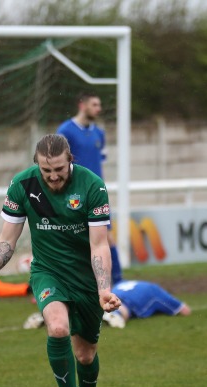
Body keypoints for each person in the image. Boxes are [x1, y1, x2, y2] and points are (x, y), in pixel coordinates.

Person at [0, 134, 121, 387]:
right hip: (48, 271)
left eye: (59, 169)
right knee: (57, 328)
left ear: (70, 160)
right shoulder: (22, 185)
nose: (54, 176)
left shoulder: (92, 185)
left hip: (85, 278)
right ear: (37, 165)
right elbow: (6, 242)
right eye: (47, 171)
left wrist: (103, 288)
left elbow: (99, 245)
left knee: (85, 355)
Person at [57, 92, 124, 285]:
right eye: (94, 104)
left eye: (99, 105)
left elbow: (99, 162)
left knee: (107, 238)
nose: (99, 109)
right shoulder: (66, 131)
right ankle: (57, 282)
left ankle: (118, 282)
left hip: (96, 194)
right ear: (82, 105)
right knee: (68, 240)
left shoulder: (99, 133)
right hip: (72, 195)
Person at [25, 279, 191, 330]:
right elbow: (184, 310)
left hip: (112, 292)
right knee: (125, 307)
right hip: (127, 301)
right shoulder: (156, 290)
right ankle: (115, 315)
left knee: (102, 304)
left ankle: (50, 316)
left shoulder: (127, 283)